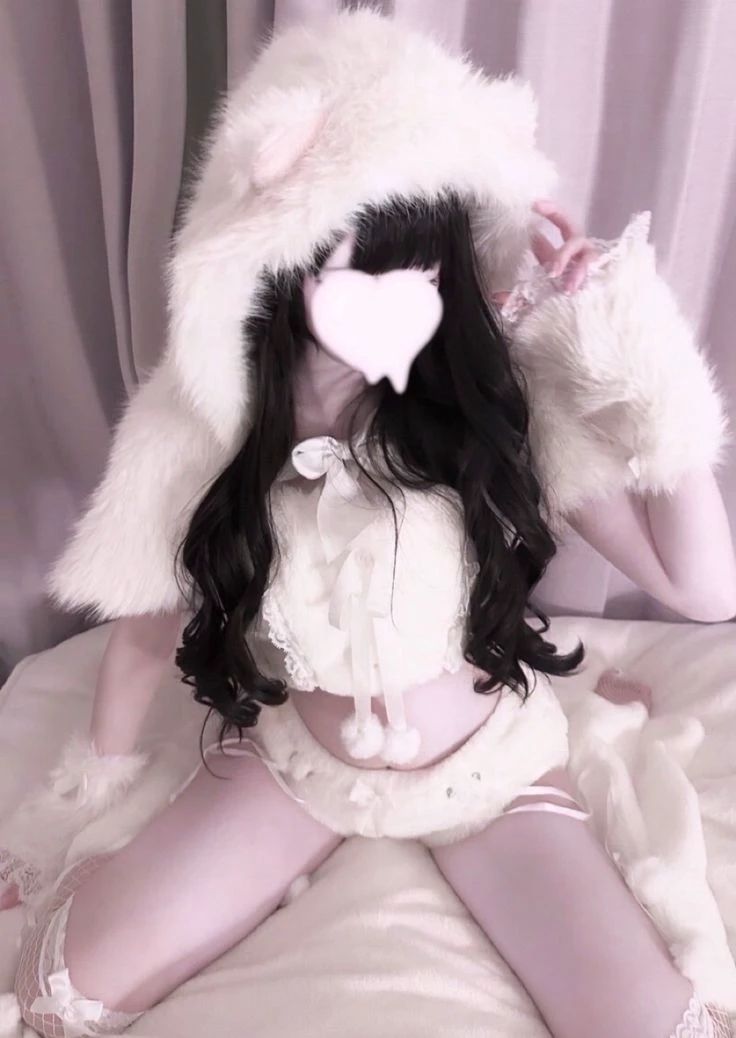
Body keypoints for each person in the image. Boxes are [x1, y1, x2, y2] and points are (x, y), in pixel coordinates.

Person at [3, 11, 735, 1038]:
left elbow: (704, 588)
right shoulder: (205, 426)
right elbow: (139, 634)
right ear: (274, 256)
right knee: (57, 994)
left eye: (424, 268)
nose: (397, 295)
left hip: (489, 772)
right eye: (351, 263)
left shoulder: (496, 398)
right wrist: (78, 802)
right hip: (301, 764)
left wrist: (629, 341)